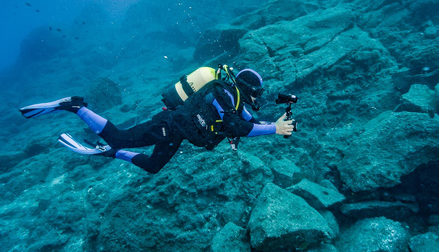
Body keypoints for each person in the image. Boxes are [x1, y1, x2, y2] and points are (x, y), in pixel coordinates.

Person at [19, 68, 295, 174]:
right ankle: (76, 107)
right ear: (246, 88)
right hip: (168, 125)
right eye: (256, 92)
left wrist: (276, 121)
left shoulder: (234, 100)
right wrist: (275, 129)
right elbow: (239, 128)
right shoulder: (223, 93)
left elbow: (250, 120)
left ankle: (112, 153)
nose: (257, 97)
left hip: (176, 134)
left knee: (152, 166)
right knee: (118, 134)